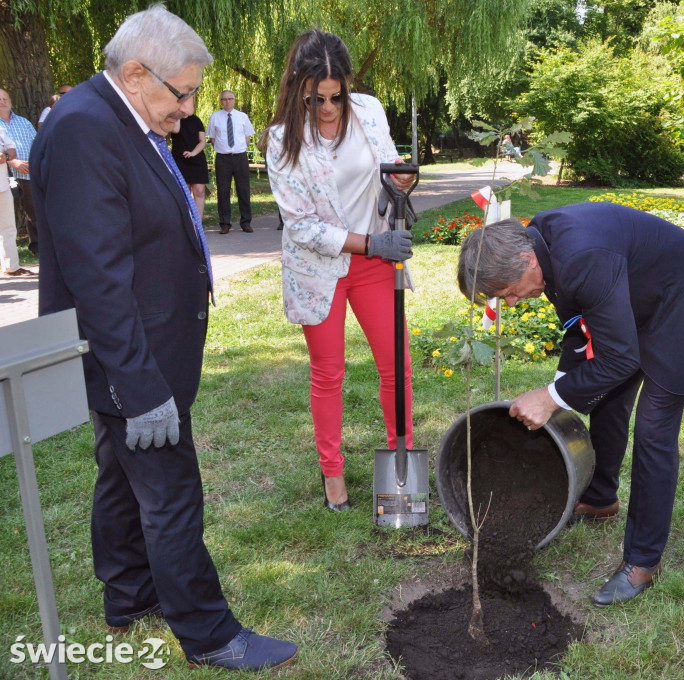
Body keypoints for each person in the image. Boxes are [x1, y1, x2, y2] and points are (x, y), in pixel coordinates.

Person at [31, 6, 296, 670]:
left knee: (122, 477)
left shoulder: (117, 117)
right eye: (181, 94)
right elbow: (99, 280)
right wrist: (141, 388)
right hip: (133, 364)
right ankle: (209, 634)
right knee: (171, 493)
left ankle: (127, 594)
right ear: (134, 72)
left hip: (141, 354)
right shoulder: (87, 130)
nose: (186, 111)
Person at [457, 203, 684, 606]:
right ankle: (601, 498)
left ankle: (643, 561)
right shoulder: (544, 244)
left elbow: (619, 358)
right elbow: (581, 327)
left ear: (524, 259)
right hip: (638, 302)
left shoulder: (580, 256)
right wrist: (560, 389)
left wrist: (549, 397)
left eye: (508, 292)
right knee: (607, 401)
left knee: (653, 430)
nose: (514, 302)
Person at [263, 28, 415, 513]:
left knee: (397, 366)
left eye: (336, 95)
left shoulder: (368, 110)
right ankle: (332, 473)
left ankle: (402, 459)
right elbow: (302, 226)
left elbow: (386, 161)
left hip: (374, 264)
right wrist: (371, 241)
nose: (328, 108)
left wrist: (400, 175)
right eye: (315, 99)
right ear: (297, 89)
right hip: (319, 268)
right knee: (328, 373)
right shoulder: (281, 139)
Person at [208, 90, 254, 233]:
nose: (227, 101)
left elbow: (248, 137)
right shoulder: (215, 117)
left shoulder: (242, 117)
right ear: (221, 101)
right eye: (224, 99)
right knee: (223, 191)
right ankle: (225, 224)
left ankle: (246, 222)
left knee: (244, 190)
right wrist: (224, 148)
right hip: (223, 158)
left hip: (240, 157)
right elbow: (212, 138)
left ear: (234, 100)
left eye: (230, 99)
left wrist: (239, 148)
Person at [0, 88, 40, 254]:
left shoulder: (23, 122)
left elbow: (37, 143)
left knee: (34, 212)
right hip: (4, 176)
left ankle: (38, 248)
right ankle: (7, 256)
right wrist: (13, 162)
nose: (2, 102)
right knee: (5, 219)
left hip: (27, 174)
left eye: (5, 98)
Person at [1, 126, 30, 276]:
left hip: (3, 185)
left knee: (9, 227)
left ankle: (12, 267)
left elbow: (12, 151)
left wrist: (5, 156)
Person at [170, 112, 209, 221]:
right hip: (180, 159)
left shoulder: (196, 120)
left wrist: (193, 153)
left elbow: (202, 141)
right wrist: (177, 115)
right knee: (184, 192)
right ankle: (187, 222)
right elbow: (175, 130)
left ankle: (198, 222)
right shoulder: (173, 119)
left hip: (197, 159)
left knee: (199, 191)